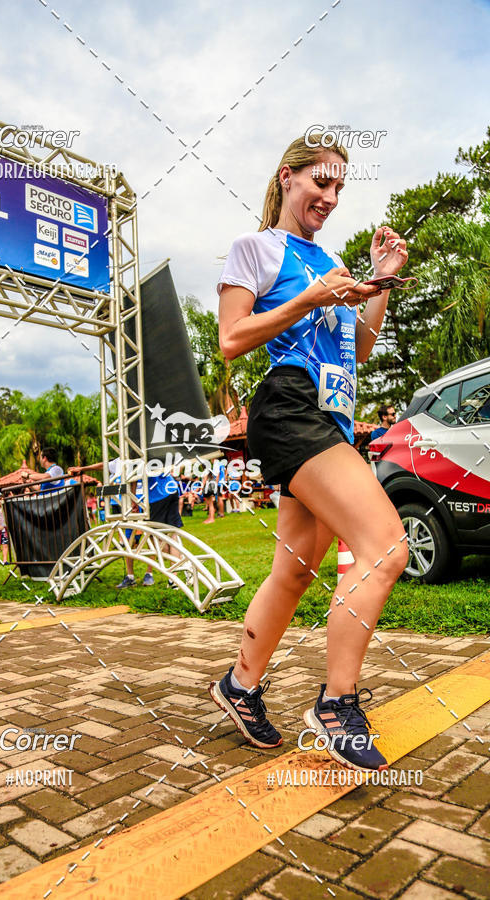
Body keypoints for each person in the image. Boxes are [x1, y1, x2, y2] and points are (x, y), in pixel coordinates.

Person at [209, 133, 409, 771]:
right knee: (386, 547)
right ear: (287, 178)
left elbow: (361, 348)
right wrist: (309, 298)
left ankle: (239, 685)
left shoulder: (332, 262)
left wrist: (379, 282)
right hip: (290, 407)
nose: (331, 196)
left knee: (296, 570)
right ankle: (336, 704)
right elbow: (230, 339)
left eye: (340, 187)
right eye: (321, 182)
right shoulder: (256, 249)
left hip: (333, 417)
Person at [116, 469, 186, 589]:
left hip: (156, 495)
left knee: (156, 537)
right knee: (172, 534)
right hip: (171, 489)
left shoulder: (133, 459)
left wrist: (133, 501)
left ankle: (176, 567)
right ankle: (174, 578)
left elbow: (133, 479)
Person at [202, 457, 226, 523]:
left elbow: (217, 474)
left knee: (219, 498)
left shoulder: (216, 464)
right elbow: (224, 472)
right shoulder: (221, 464)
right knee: (218, 499)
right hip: (221, 482)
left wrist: (215, 483)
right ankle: (219, 513)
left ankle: (221, 513)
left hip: (218, 483)